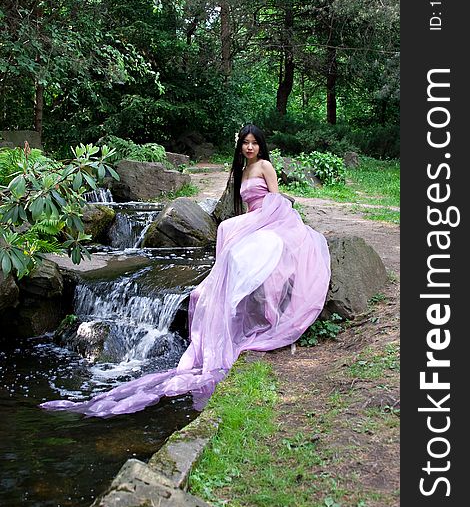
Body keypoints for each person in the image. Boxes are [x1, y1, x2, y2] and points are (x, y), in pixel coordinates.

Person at [40, 124, 330, 417]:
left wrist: (247, 227)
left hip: (271, 223)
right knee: (224, 251)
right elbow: (245, 208)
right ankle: (226, 300)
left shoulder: (265, 166)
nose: (250, 147)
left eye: (254, 143)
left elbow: (276, 203)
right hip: (252, 224)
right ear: (240, 145)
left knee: (229, 231)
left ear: (260, 145)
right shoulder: (241, 171)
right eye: (246, 143)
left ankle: (251, 308)